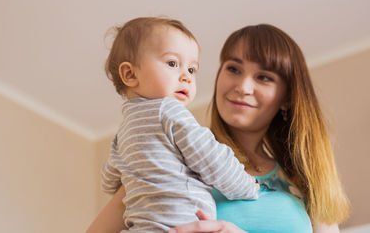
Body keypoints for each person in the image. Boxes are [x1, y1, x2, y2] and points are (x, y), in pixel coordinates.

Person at [87, 23, 350, 233]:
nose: (243, 86)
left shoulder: (305, 181)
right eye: (233, 69)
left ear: (287, 98)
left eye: (264, 77)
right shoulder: (163, 156)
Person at [100, 17, 259, 232]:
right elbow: (211, 158)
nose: (186, 77)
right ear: (130, 74)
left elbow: (109, 181)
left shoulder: (123, 134)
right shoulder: (170, 111)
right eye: (173, 63)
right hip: (180, 224)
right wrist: (248, 187)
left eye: (192, 69)